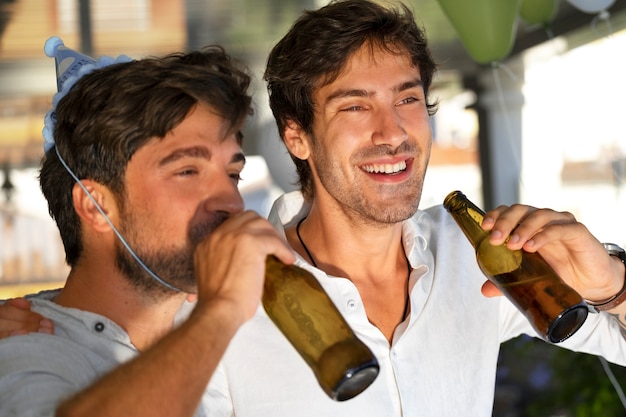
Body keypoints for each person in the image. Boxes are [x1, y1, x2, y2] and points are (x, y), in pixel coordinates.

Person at [2, 1, 626, 416]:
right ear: (295, 135)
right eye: (354, 106)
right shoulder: (209, 305)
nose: (393, 131)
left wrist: (613, 286)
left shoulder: (481, 258)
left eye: (408, 100)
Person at [0, 41, 295, 416]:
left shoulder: (232, 339)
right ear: (95, 205)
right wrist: (222, 309)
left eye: (233, 174)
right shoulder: (25, 347)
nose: (231, 201)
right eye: (187, 171)